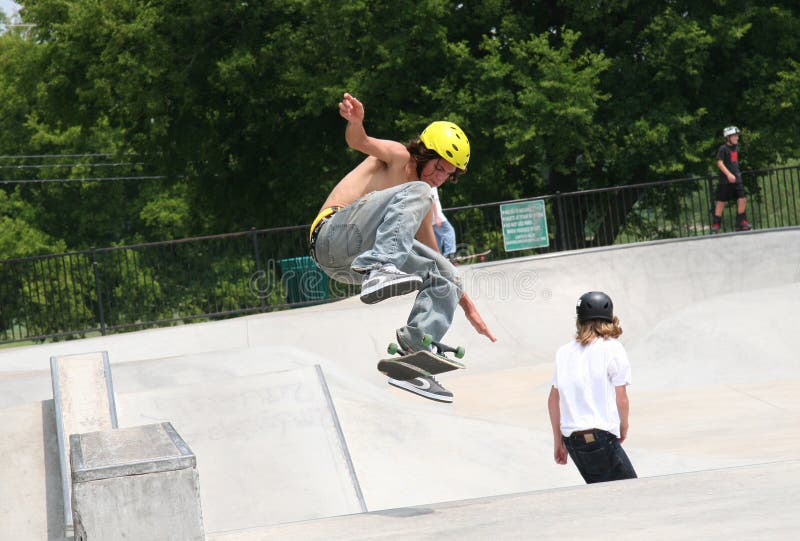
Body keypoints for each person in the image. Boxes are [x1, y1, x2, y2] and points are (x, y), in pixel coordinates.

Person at [309, 92, 496, 402]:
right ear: (425, 152)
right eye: (439, 167)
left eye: (448, 175)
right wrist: (356, 122)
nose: (439, 178)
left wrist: (468, 306)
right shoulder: (399, 157)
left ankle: (415, 353)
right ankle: (382, 268)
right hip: (332, 236)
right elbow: (360, 141)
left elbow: (437, 263)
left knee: (444, 272)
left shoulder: (412, 202)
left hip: (353, 267)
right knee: (419, 191)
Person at [547, 291, 637, 484]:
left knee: (604, 496)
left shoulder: (564, 352)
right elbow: (621, 398)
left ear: (579, 320)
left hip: (573, 442)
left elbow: (553, 400)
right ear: (609, 319)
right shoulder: (612, 348)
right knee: (632, 493)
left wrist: (558, 441)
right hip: (600, 437)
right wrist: (624, 426)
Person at [712, 126, 752, 233]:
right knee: (721, 202)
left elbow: (733, 162)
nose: (737, 137)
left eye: (737, 135)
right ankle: (716, 224)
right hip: (725, 180)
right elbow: (719, 163)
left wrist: (736, 174)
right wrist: (729, 174)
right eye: (734, 136)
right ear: (728, 137)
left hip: (736, 179)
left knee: (742, 198)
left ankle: (740, 222)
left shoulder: (735, 147)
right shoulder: (723, 149)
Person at [431, 186, 457, 260]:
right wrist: (437, 216)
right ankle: (449, 254)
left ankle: (437, 258)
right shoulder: (431, 185)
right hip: (436, 217)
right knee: (449, 231)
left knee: (437, 239)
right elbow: (433, 200)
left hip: (430, 218)